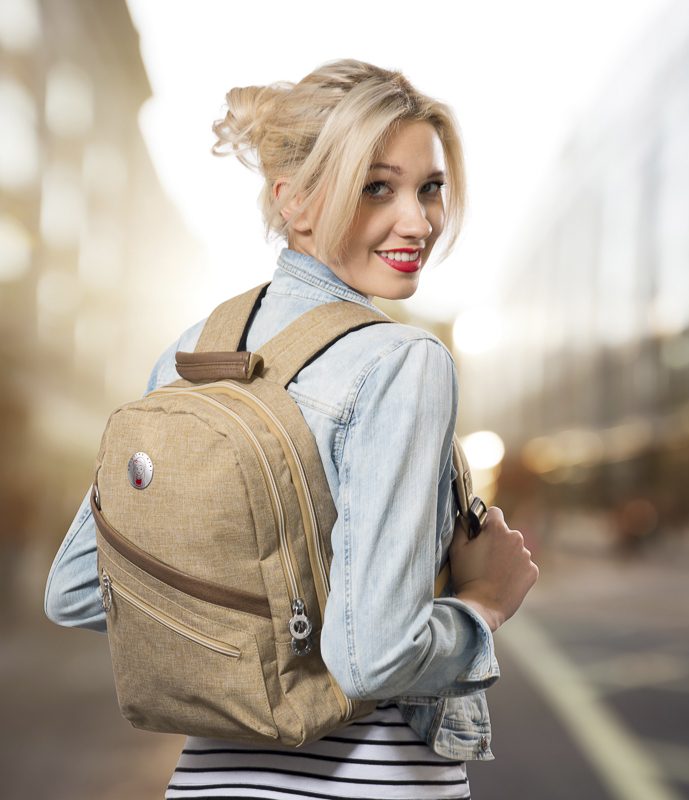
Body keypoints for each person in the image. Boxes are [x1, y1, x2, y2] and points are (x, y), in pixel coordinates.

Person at [43, 58, 539, 799]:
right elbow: (372, 659)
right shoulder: (402, 361)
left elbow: (81, 590)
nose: (418, 221)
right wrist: (484, 603)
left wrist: (256, 627)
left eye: (429, 188)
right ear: (296, 203)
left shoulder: (192, 351)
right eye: (377, 188)